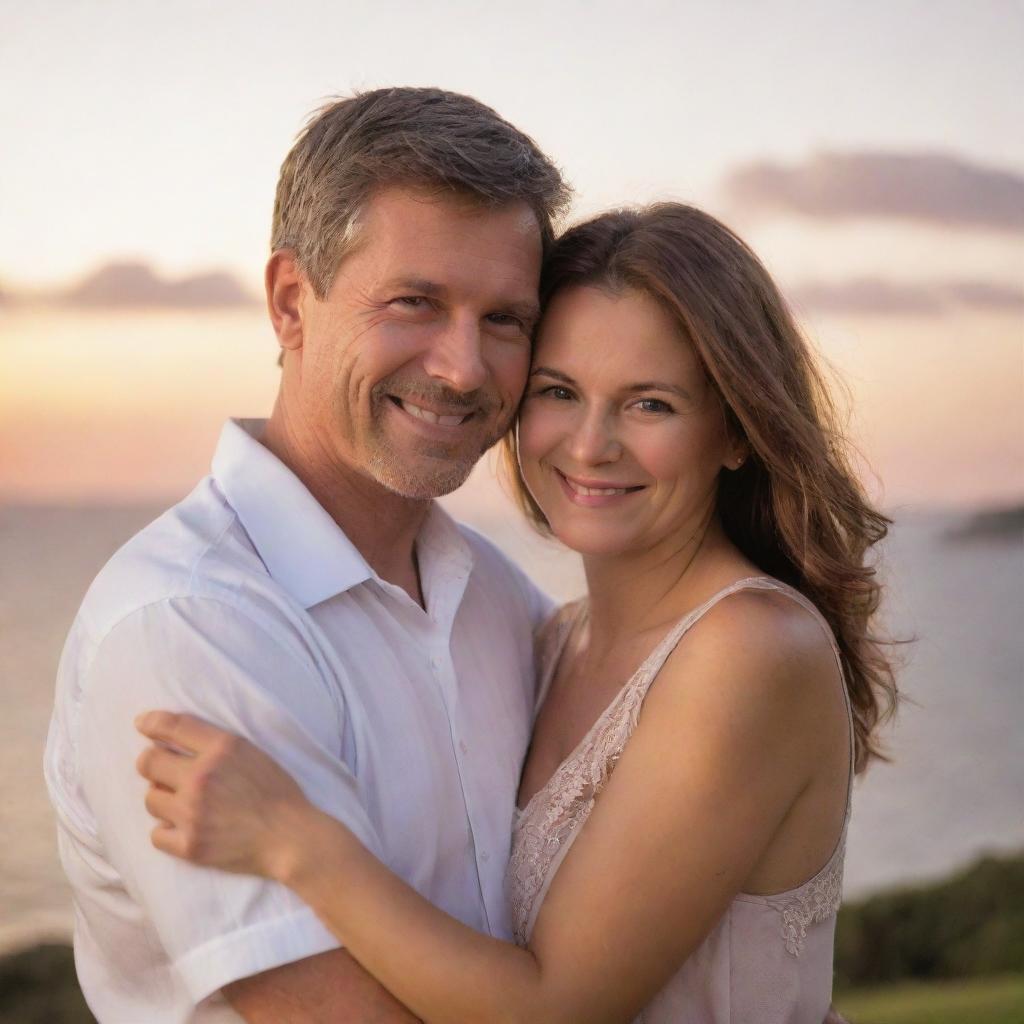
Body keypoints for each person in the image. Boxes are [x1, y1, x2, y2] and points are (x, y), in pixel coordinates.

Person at [135, 204, 897, 1022]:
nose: (590, 444)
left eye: (650, 404)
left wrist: (300, 844)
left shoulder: (749, 650)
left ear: (737, 433)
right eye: (559, 391)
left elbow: (554, 1006)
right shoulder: (550, 637)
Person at [43, 86, 570, 1022]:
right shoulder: (189, 628)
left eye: (506, 320)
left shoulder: (497, 597)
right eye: (415, 302)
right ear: (292, 302)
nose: (462, 367)